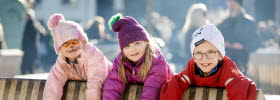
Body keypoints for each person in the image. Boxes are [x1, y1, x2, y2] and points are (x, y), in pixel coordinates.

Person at [160, 24, 256, 100]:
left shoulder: (227, 70)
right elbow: (175, 84)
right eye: (198, 53)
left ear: (220, 55)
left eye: (210, 52)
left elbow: (240, 86)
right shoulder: (192, 68)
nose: (204, 58)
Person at [102, 13, 174, 100]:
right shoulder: (120, 61)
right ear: (122, 50)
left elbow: (151, 92)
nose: (133, 49)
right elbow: (112, 87)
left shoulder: (156, 61)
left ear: (147, 43)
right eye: (127, 46)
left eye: (137, 43)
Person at [43, 13, 112, 100]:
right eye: (65, 44)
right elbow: (53, 86)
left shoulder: (93, 55)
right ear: (60, 49)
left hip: (108, 81)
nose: (71, 46)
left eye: (74, 41)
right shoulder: (61, 63)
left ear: (83, 42)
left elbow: (95, 82)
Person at [217, 0, 261, 74]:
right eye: (229, 3)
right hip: (224, 63)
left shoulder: (248, 23)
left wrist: (243, 46)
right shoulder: (222, 23)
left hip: (241, 64)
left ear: (239, 5)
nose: (231, 6)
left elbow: (256, 42)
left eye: (233, 4)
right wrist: (222, 44)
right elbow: (214, 40)